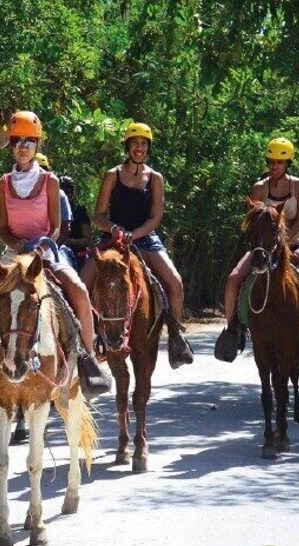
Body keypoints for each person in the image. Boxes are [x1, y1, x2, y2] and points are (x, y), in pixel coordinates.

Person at [0, 111, 110, 397]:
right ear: (11, 145)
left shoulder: (50, 181)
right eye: (17, 141)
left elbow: (56, 226)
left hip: (45, 251)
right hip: (14, 253)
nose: (22, 147)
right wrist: (16, 244)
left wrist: (42, 247)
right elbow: (3, 227)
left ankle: (87, 359)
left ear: (37, 145)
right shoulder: (4, 182)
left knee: (79, 291)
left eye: (28, 141)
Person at [216, 138, 299, 362]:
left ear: (287, 163)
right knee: (234, 279)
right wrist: (267, 246)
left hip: (294, 243)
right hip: (262, 248)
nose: (274, 166)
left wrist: (283, 243)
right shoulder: (259, 188)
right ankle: (233, 329)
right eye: (271, 161)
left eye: (280, 162)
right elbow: (253, 223)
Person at [83, 122, 193, 369]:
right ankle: (84, 344)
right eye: (135, 143)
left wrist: (136, 233)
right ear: (127, 146)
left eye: (143, 144)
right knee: (83, 281)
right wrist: (114, 229)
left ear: (148, 148)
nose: (139, 148)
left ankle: (176, 337)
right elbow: (99, 215)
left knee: (174, 281)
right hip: (112, 239)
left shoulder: (155, 178)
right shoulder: (113, 175)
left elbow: (155, 217)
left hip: (144, 238)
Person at [60, 175, 93, 271]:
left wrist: (69, 241)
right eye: (62, 192)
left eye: (68, 192)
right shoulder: (52, 209)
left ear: (72, 193)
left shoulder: (80, 211)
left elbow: (87, 239)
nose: (65, 195)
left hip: (77, 254)